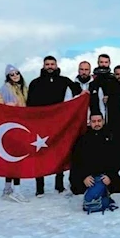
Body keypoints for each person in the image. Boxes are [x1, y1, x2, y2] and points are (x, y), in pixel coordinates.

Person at [27, 55, 75, 196]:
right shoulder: (35, 83)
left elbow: (78, 91)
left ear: (56, 65)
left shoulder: (64, 81)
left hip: (59, 124)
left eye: (52, 64)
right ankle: (39, 187)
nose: (50, 66)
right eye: (47, 64)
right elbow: (30, 104)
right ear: (43, 66)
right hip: (40, 125)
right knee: (39, 154)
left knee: (59, 152)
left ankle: (59, 184)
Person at [69, 112, 120, 200]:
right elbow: (76, 161)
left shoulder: (111, 137)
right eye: (94, 121)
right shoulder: (83, 139)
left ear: (103, 121)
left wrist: (109, 176)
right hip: (88, 175)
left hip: (105, 174)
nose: (97, 124)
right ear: (89, 123)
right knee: (76, 188)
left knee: (119, 186)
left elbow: (118, 159)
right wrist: (84, 177)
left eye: (99, 121)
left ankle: (102, 189)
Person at [0, 64, 30, 202]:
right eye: (12, 74)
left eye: (17, 73)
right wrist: (5, 106)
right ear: (7, 77)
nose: (15, 76)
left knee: (14, 159)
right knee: (15, 159)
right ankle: (15, 190)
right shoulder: (4, 90)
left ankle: (8, 187)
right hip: (11, 127)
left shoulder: (24, 88)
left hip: (22, 125)